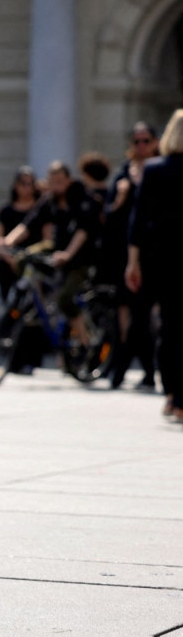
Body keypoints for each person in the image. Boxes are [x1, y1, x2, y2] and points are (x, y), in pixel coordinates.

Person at [1, 162, 98, 350]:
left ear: (69, 180)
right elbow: (29, 223)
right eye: (52, 181)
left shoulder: (81, 198)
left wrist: (68, 254)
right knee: (24, 258)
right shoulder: (50, 199)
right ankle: (37, 296)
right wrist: (9, 241)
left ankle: (86, 341)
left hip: (81, 257)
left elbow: (82, 231)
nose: (56, 185)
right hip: (57, 248)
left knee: (66, 298)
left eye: (60, 181)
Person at [126, 109, 183, 421]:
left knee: (169, 327)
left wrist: (132, 263)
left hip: (161, 259)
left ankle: (172, 395)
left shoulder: (154, 170)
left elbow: (137, 220)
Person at [107, 124, 160, 391]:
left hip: (155, 254)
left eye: (146, 140)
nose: (140, 145)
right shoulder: (122, 176)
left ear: (155, 142)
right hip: (126, 254)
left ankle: (131, 369)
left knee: (144, 317)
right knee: (127, 316)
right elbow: (109, 216)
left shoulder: (161, 172)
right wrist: (119, 197)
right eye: (136, 141)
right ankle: (131, 369)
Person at [0, 167, 43, 374]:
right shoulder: (6, 210)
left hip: (32, 265)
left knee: (31, 312)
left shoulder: (40, 209)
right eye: (22, 183)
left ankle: (31, 359)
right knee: (11, 310)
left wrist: (26, 259)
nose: (26, 187)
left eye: (30, 183)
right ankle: (12, 359)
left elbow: (47, 237)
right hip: (8, 265)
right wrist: (9, 257)